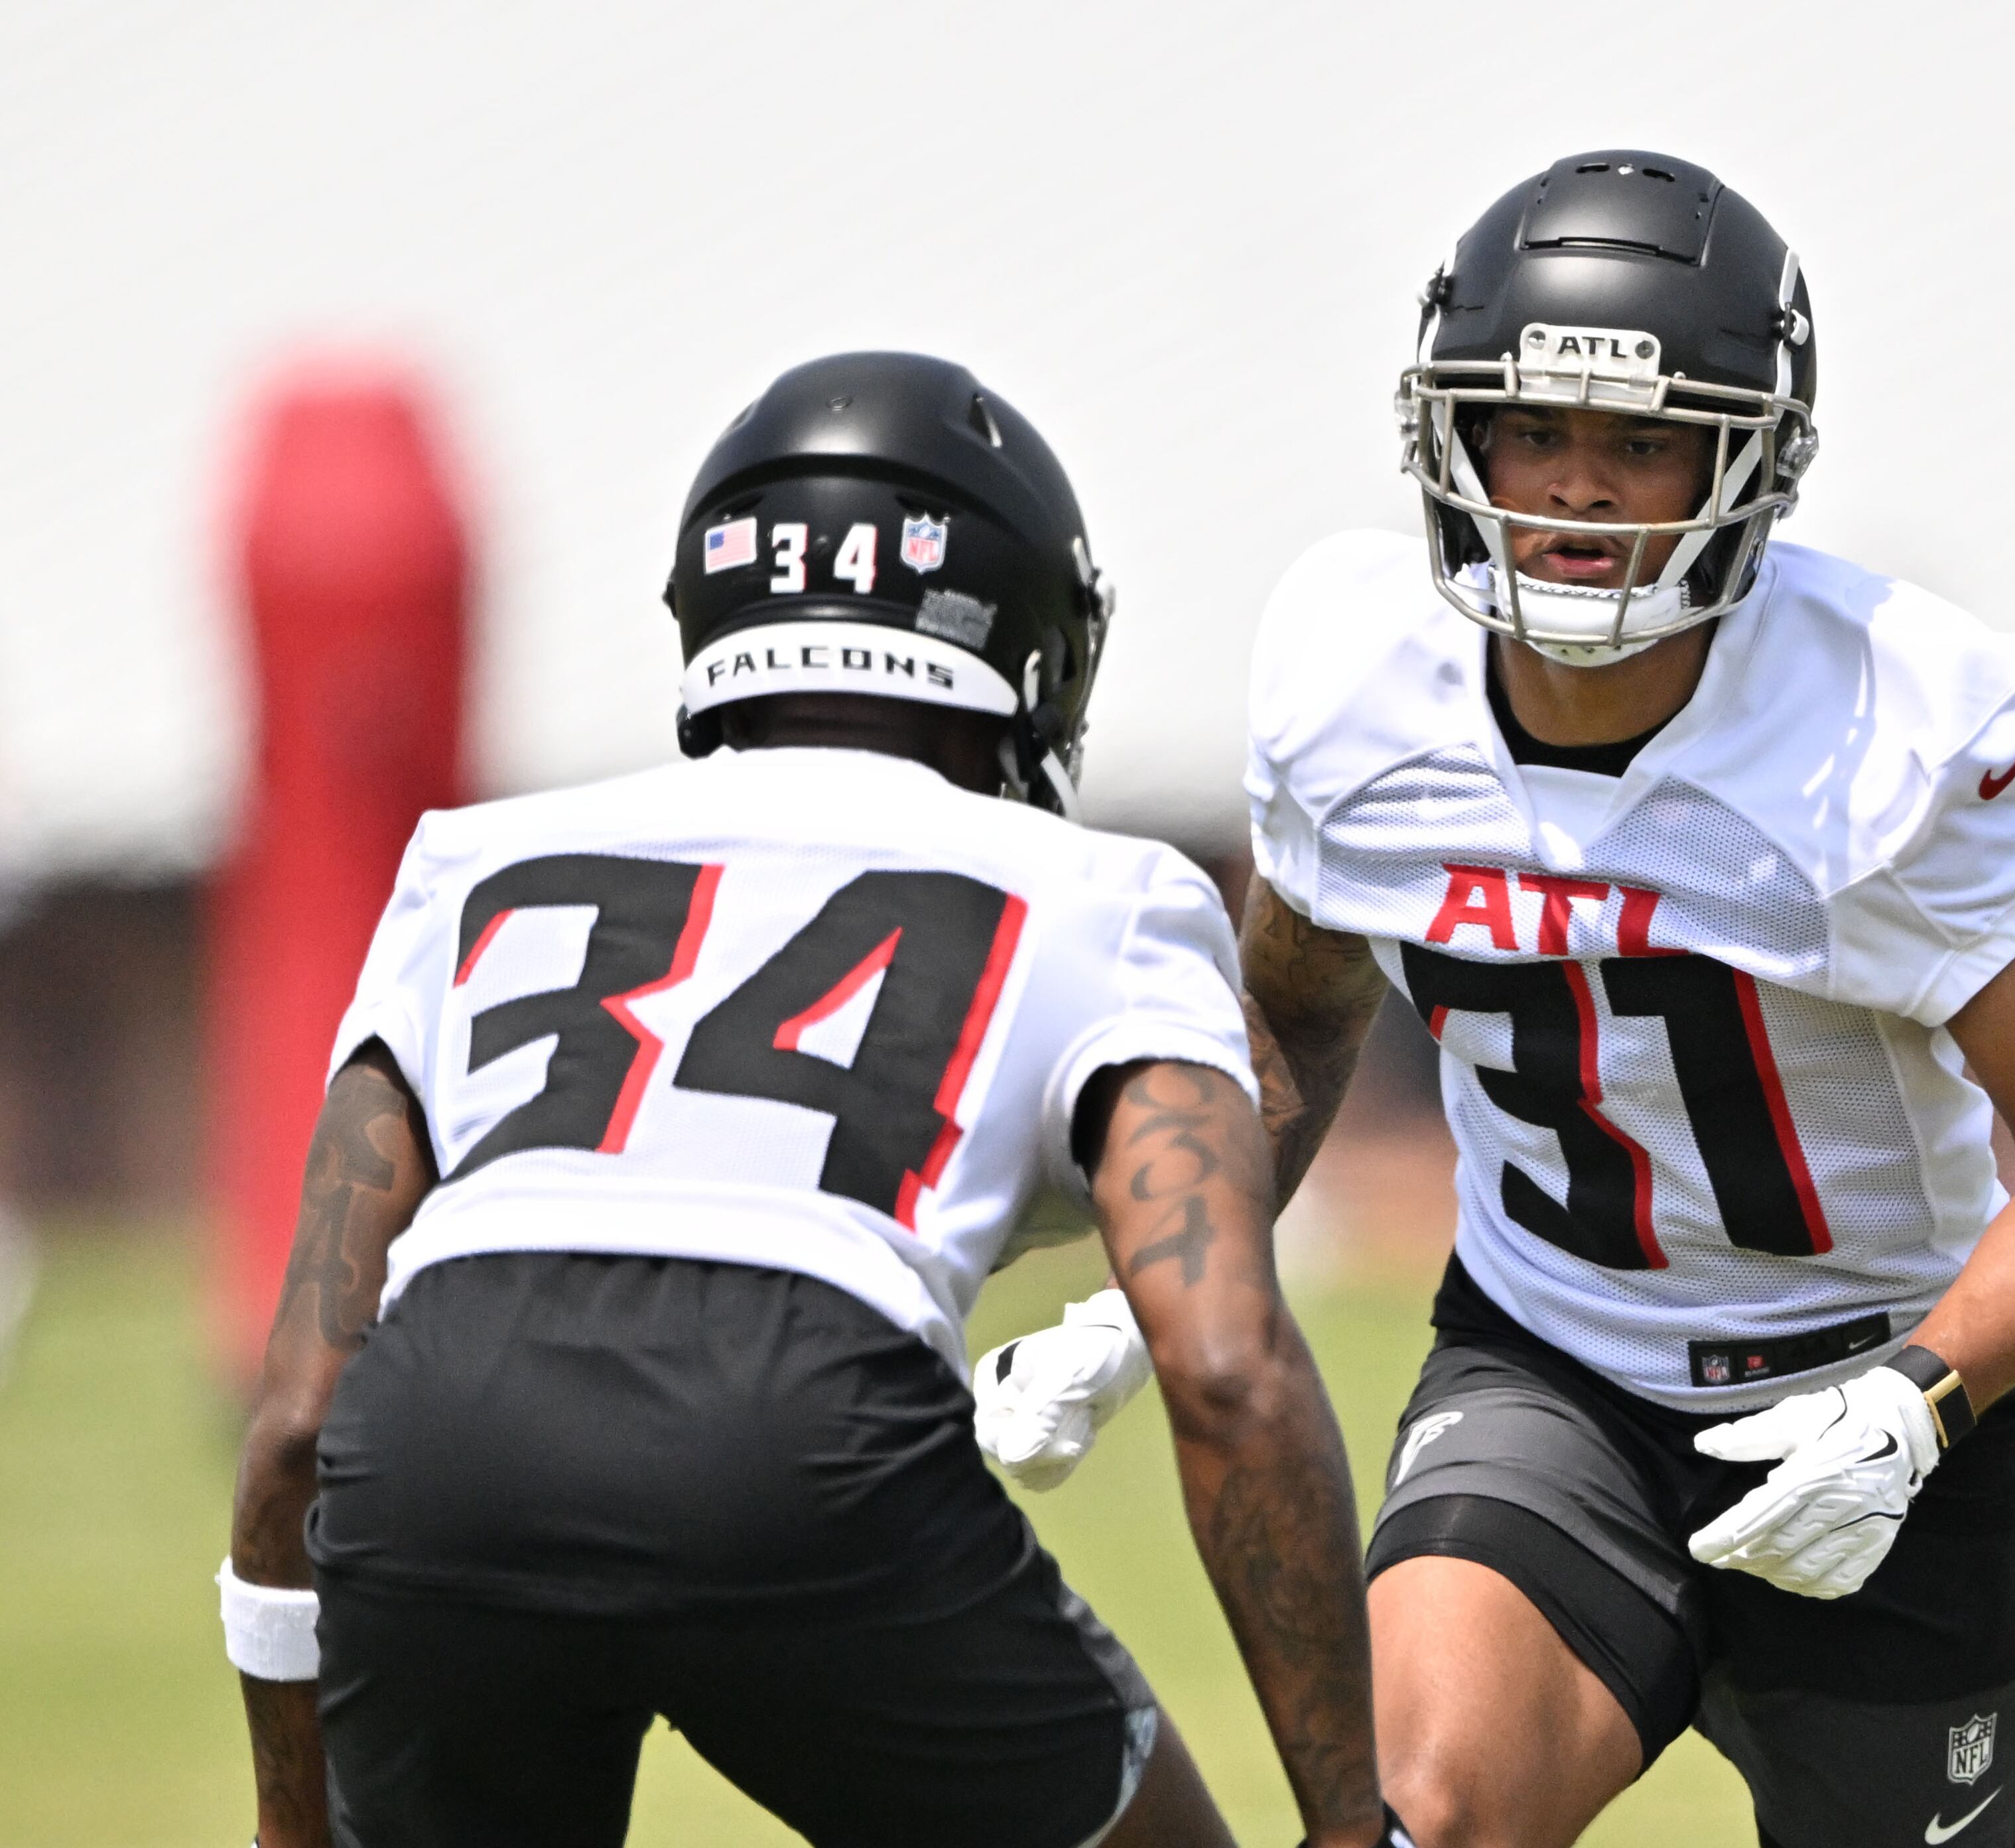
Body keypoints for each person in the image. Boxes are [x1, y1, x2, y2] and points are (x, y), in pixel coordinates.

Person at [974, 153, 2015, 1848]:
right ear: (1452, 438)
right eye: (1532, 432)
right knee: (1420, 1816)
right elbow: (1298, 1019)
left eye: (1643, 442)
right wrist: (1158, 1285)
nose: (1578, 491)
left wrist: (1916, 1404)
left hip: (1878, 1389)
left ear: (1747, 464)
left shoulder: (1893, 730)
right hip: (1559, 1373)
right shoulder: (1358, 686)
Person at [222, 352, 1405, 1848]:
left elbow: (289, 1429)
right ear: (1029, 643)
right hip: (802, 1428)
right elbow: (1229, 1369)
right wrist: (1352, 1827)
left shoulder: (473, 866)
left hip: (440, 1440)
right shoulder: (1109, 894)